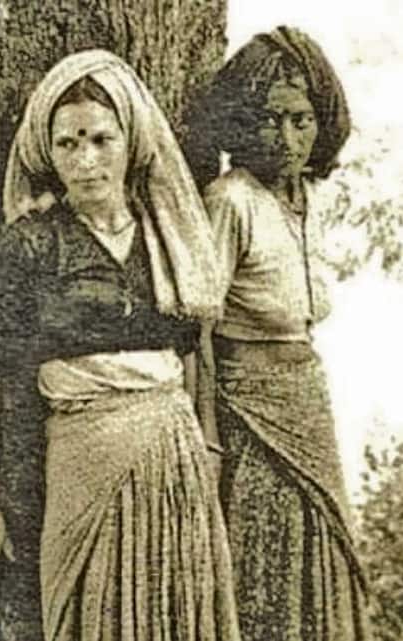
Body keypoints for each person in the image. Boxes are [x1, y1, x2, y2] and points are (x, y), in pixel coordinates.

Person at [0, 50, 240, 641]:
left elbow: (191, 355)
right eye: (67, 144)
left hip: (175, 458)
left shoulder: (169, 238)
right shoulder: (31, 245)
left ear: (131, 142)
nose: (85, 161)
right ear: (47, 152)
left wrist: (206, 450)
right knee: (88, 616)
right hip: (83, 456)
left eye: (101, 140)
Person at [189, 26, 370, 641]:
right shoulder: (231, 200)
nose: (288, 139)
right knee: (268, 552)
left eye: (301, 120)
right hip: (250, 412)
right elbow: (199, 328)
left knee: (326, 543)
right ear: (242, 121)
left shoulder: (303, 199)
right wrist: (209, 435)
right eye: (270, 120)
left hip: (305, 399)